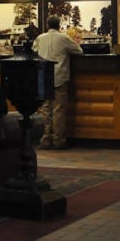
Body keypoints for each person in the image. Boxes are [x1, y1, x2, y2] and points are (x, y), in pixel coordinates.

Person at [33, 15, 83, 149]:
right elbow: (79, 51)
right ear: (59, 25)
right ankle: (58, 141)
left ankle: (45, 140)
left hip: (43, 77)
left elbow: (34, 51)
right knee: (58, 110)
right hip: (59, 77)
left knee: (45, 110)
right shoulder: (64, 38)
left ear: (47, 25)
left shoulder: (40, 38)